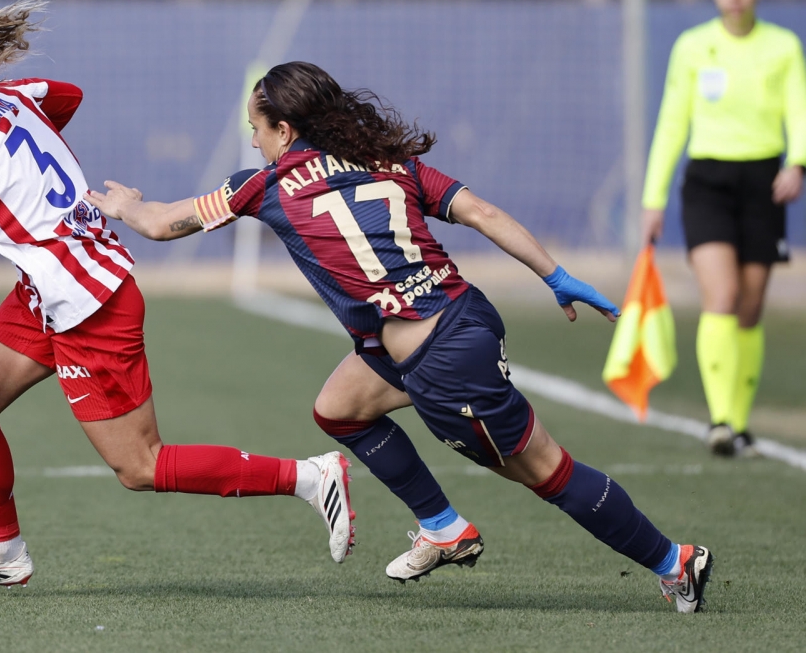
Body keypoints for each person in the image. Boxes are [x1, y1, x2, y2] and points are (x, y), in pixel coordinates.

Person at [88, 61, 714, 613]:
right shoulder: (391, 162)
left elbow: (164, 224)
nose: (253, 141)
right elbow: (485, 214)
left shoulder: (268, 184)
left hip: (442, 362)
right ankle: (441, 525)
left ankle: (673, 561)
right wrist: (558, 276)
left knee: (546, 471)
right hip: (461, 316)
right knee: (339, 408)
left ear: (283, 131)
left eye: (256, 128)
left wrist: (125, 205)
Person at [0, 0, 356, 598]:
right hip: (52, 286)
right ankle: (3, 554)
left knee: (139, 467)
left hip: (88, 305)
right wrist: (28, 170)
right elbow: (66, 95)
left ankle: (309, 477)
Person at [642, 0, 805, 458]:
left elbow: (799, 109)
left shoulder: (782, 46)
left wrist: (798, 162)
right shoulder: (692, 46)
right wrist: (654, 196)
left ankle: (738, 420)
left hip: (764, 183)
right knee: (722, 296)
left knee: (751, 307)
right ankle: (718, 422)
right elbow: (672, 123)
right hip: (708, 182)